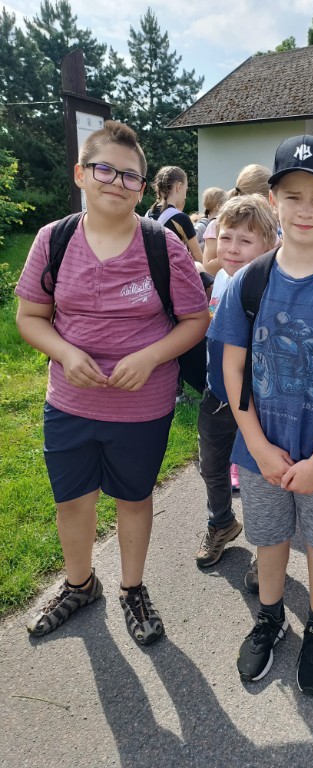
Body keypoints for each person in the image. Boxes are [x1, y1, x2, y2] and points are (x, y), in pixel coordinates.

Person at [15, 121, 210, 645]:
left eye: (130, 176)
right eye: (105, 170)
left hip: (142, 406)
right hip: (70, 402)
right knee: (73, 501)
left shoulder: (163, 246)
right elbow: (30, 317)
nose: (117, 183)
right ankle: (80, 585)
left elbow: (196, 320)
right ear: (81, 174)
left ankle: (132, 588)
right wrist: (64, 351)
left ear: (142, 189)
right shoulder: (53, 239)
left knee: (133, 499)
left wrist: (150, 356)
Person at [208, 134, 313, 694]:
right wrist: (257, 446)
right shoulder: (251, 280)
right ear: (273, 200)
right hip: (261, 449)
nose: (305, 209)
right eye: (293, 196)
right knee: (269, 536)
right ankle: (271, 615)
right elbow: (233, 370)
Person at [196, 194, 278, 572]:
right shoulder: (221, 280)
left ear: (269, 245)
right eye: (226, 237)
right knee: (211, 466)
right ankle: (221, 523)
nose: (232, 248)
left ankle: (266, 550)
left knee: (261, 477)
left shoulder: (268, 288)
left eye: (245, 241)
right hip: (216, 394)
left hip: (258, 402)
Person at [203, 164, 271, 275]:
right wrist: (234, 259)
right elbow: (208, 266)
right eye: (225, 238)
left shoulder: (268, 225)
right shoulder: (218, 223)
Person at [147, 166, 203, 263]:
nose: (185, 196)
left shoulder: (147, 215)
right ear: (179, 187)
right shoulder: (181, 219)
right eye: (186, 190)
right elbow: (199, 259)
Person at [195, 187, 228, 251]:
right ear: (218, 206)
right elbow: (190, 250)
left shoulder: (220, 225)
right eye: (225, 205)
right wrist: (208, 244)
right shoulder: (201, 227)